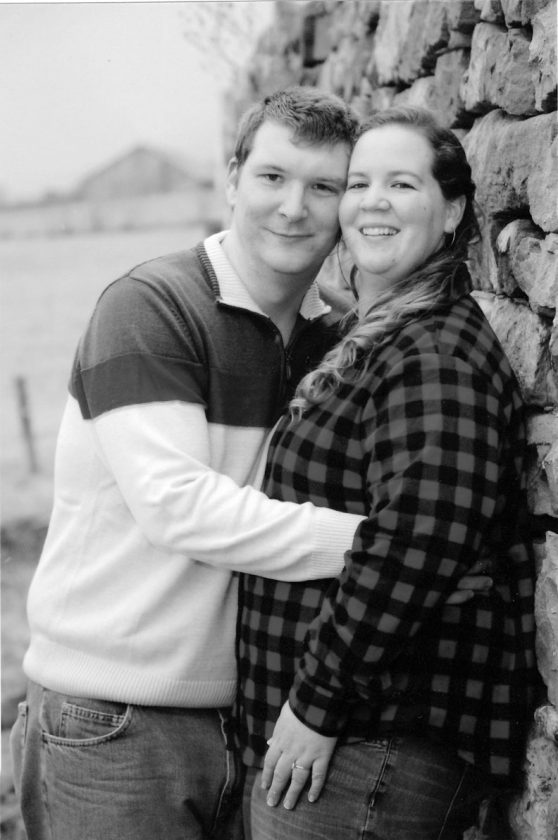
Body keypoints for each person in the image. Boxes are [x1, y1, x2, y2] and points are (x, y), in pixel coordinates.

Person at [10, 88, 484, 840]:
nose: (294, 208)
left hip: (250, 720)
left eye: (323, 186)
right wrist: (383, 547)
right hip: (116, 714)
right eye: (271, 177)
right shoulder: (151, 308)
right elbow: (179, 507)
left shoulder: (340, 342)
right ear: (231, 179)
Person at [236, 106, 540, 840]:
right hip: (339, 740)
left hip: (369, 745)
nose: (373, 202)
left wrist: (317, 704)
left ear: (452, 212)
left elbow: (418, 541)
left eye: (402, 184)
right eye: (359, 183)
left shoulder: (433, 355)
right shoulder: (378, 336)